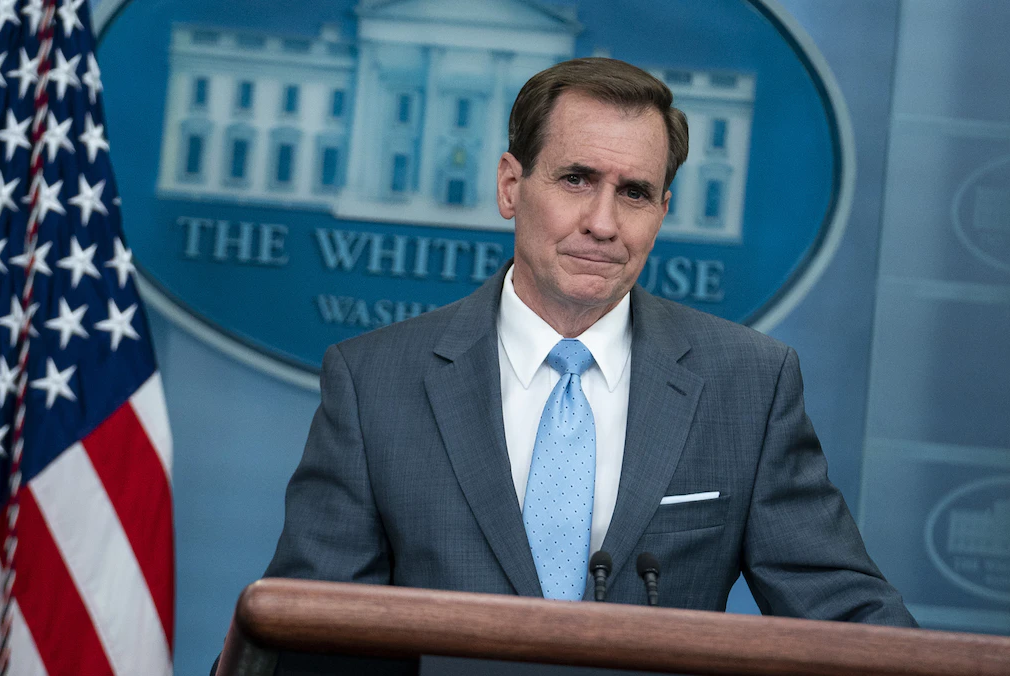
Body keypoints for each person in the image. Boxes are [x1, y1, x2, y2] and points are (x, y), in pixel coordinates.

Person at [264, 57, 915, 624]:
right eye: (576, 180)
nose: (603, 223)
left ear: (661, 213)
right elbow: (309, 624)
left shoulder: (747, 385)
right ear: (511, 186)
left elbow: (848, 616)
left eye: (633, 193)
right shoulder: (374, 381)